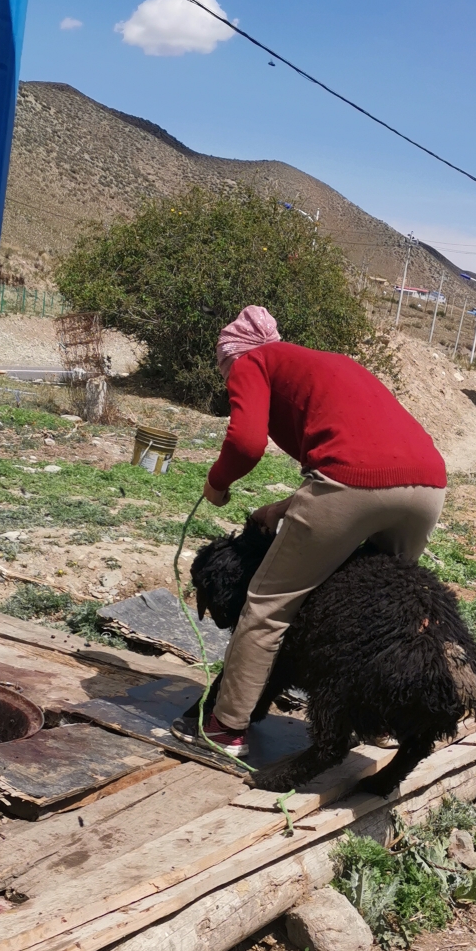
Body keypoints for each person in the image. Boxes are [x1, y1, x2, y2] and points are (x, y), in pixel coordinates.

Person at [187, 304, 446, 757]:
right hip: (428, 485)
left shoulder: (251, 361)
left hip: (354, 482)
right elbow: (367, 448)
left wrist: (217, 482)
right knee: (382, 612)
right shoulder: (326, 363)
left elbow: (246, 443)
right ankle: (383, 718)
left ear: (232, 358)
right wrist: (284, 506)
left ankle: (226, 729)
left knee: (268, 606)